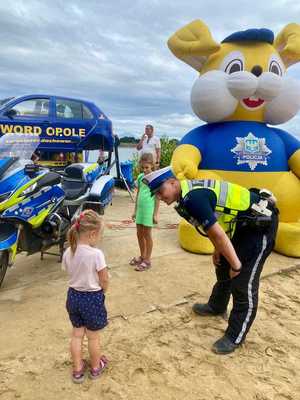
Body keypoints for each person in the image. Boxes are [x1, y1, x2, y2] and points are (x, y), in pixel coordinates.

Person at [143, 167, 279, 354]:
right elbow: (218, 222)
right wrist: (219, 251)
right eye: (155, 194)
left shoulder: (193, 199)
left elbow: (218, 233)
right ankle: (217, 306)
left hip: (259, 226)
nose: (159, 196)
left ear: (173, 182)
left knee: (243, 283)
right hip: (241, 224)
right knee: (222, 266)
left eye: (160, 190)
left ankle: (234, 337)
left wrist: (236, 265)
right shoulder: (184, 196)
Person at [62, 210, 109, 383]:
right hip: (92, 297)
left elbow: (69, 272)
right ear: (92, 234)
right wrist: (103, 291)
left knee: (76, 334)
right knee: (93, 336)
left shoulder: (68, 252)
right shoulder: (96, 254)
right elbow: (104, 278)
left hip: (73, 297)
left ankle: (77, 369)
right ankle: (96, 367)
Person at [130, 153, 160, 271]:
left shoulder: (155, 179)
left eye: (147, 167)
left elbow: (157, 198)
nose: (145, 170)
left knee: (147, 234)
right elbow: (138, 194)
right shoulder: (140, 177)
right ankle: (142, 256)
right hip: (140, 210)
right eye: (143, 167)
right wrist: (135, 211)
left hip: (149, 210)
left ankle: (147, 260)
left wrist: (155, 214)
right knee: (139, 233)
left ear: (152, 165)